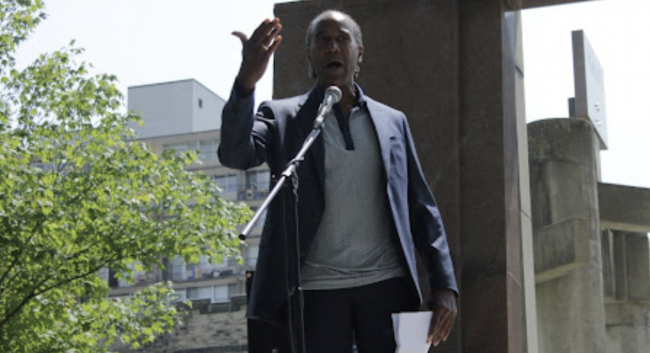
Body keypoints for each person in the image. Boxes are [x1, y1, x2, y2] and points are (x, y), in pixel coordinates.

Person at [219, 9, 457, 353]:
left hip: (387, 286)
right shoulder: (281, 117)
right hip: (315, 292)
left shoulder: (393, 122)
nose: (332, 47)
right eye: (323, 40)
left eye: (342, 39)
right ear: (311, 55)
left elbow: (422, 208)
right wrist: (246, 84)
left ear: (358, 52)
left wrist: (444, 285)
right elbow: (235, 154)